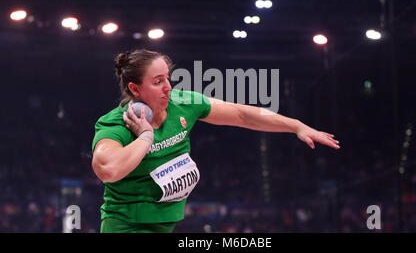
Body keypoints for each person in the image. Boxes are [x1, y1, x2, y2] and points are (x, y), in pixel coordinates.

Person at [91, 49, 340, 233]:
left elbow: (242, 114)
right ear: (135, 89)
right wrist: (145, 137)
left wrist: (295, 125)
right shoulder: (117, 124)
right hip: (126, 226)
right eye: (157, 82)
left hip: (165, 224)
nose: (168, 87)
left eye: (168, 78)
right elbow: (108, 169)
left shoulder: (183, 103)